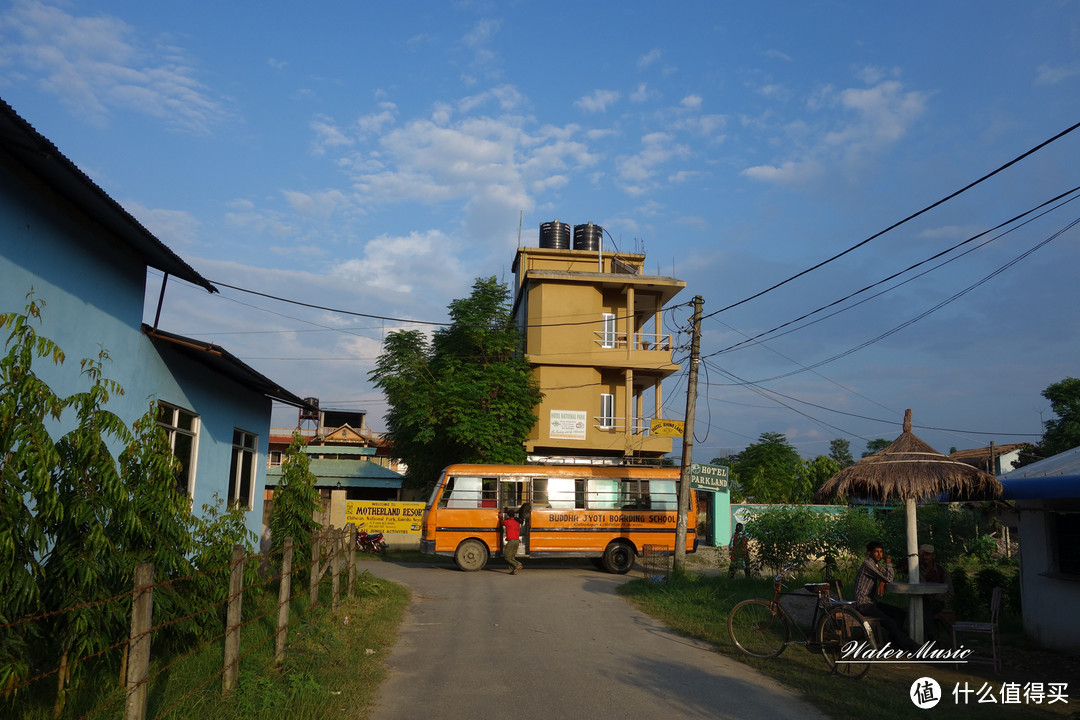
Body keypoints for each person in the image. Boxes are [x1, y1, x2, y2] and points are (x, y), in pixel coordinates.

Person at [853, 540, 917, 652]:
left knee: (900, 613)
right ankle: (913, 647)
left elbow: (888, 578)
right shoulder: (868, 565)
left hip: (871, 602)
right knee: (890, 622)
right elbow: (888, 578)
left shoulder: (876, 565)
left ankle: (894, 642)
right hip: (864, 604)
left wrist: (883, 581)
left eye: (881, 552)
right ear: (869, 553)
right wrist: (888, 565)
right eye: (876, 552)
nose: (880, 555)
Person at [917, 543, 954, 640]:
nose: (925, 557)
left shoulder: (942, 572)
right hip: (919, 601)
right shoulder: (915, 570)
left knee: (926, 609)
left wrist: (935, 597)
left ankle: (928, 636)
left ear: (933, 556)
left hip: (937, 603)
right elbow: (900, 566)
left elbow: (949, 593)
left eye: (927, 554)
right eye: (922, 554)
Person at [500, 508, 523, 575]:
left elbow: (502, 523)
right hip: (517, 541)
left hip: (512, 541)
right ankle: (514, 570)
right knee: (512, 557)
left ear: (508, 516)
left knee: (507, 556)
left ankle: (518, 564)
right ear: (514, 516)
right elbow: (517, 532)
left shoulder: (507, 521)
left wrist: (500, 517)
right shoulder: (517, 523)